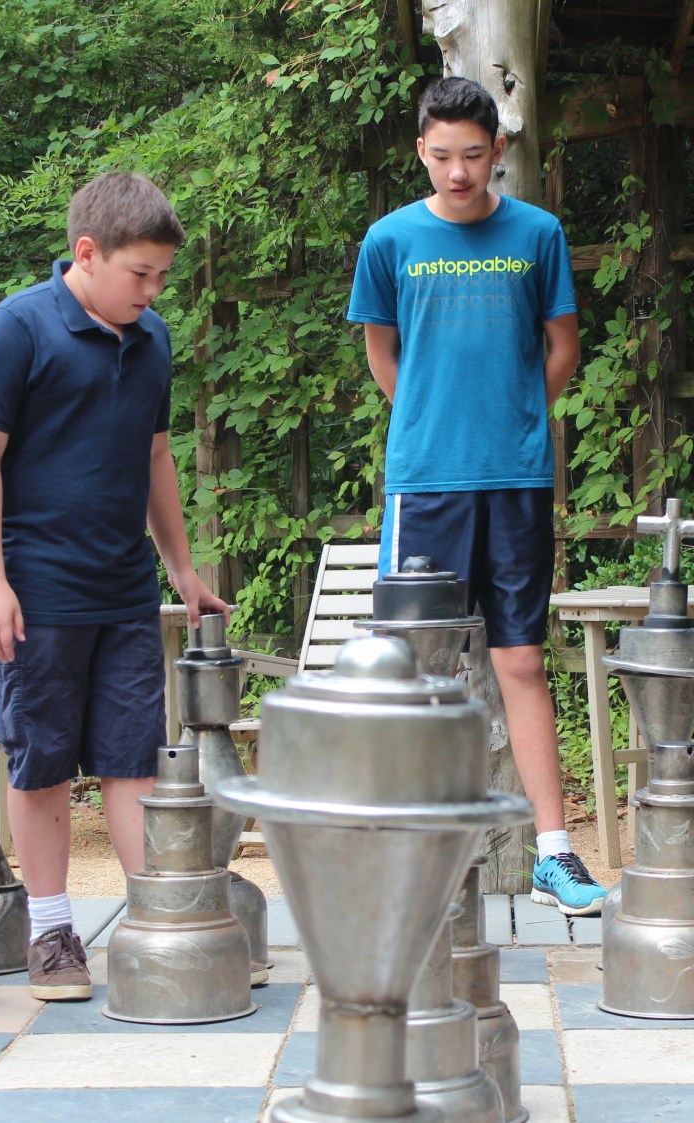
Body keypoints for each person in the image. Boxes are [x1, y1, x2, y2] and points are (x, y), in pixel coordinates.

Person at [0, 171, 229, 1000]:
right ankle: (51, 932)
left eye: (162, 277)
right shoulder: (17, 329)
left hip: (124, 590)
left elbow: (155, 454)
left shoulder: (153, 339)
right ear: (87, 253)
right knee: (39, 763)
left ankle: (156, 924)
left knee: (131, 759)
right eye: (139, 274)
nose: (152, 292)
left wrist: (182, 568)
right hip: (35, 591)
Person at [347, 77, 606, 916]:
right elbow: (382, 353)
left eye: (472, 154)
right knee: (410, 668)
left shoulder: (538, 233)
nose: (458, 172)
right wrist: (430, 420)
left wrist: (516, 418)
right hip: (425, 483)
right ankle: (399, 853)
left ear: (498, 150)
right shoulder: (389, 239)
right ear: (420, 152)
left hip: (517, 478)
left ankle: (554, 853)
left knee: (520, 659)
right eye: (441, 156)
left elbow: (561, 347)